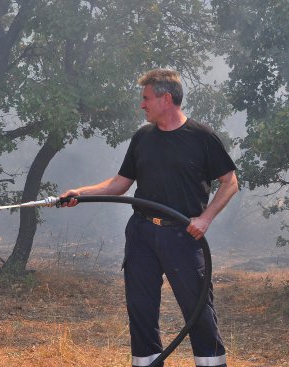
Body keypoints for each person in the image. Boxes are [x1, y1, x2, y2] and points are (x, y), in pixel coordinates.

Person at [60, 69, 238, 367]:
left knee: (199, 313)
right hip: (142, 234)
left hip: (183, 236)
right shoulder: (143, 137)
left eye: (146, 99)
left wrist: (205, 219)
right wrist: (81, 192)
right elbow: (119, 184)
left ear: (166, 99)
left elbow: (229, 181)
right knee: (141, 311)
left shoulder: (202, 137)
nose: (142, 105)